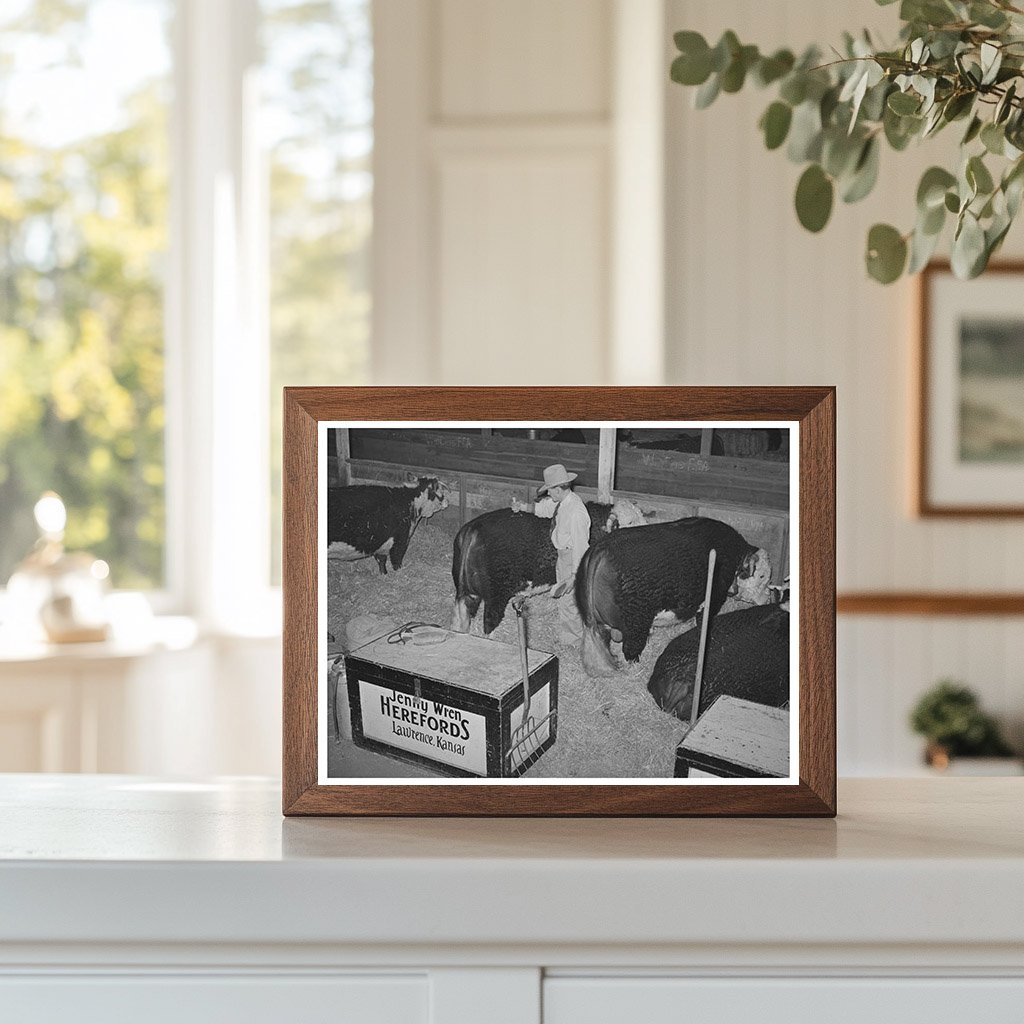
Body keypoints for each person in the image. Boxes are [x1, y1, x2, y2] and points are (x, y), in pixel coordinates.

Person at [512, 464, 590, 646]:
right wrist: (522, 506)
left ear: (558, 488)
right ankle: (569, 637)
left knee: (570, 602)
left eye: (550, 490)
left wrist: (574, 575)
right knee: (564, 601)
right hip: (563, 557)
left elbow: (581, 546)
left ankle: (575, 643)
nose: (548, 494)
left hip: (572, 560)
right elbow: (545, 509)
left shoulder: (577, 512)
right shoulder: (562, 503)